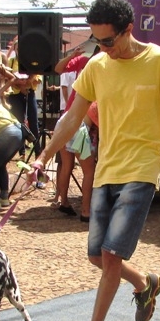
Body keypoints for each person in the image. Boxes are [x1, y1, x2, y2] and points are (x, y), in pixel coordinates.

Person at [27, 0, 160, 321]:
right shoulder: (97, 66)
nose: (103, 47)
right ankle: (145, 283)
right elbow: (71, 118)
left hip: (142, 171)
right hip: (106, 170)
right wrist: (43, 157)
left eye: (108, 40)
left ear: (128, 30)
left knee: (110, 256)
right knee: (97, 257)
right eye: (97, 40)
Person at [53, 43, 97, 219]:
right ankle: (86, 211)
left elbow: (58, 69)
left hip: (66, 120)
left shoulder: (86, 64)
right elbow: (58, 68)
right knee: (89, 170)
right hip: (79, 124)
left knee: (66, 165)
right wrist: (72, 56)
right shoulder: (99, 72)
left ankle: (64, 202)